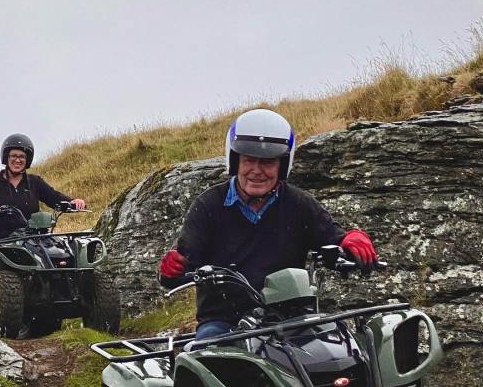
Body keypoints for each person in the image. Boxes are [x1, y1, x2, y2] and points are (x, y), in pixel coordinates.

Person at [157, 108, 377, 340]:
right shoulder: (208, 206)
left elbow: (332, 237)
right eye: (249, 160)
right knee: (208, 350)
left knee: (335, 357)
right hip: (225, 321)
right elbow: (183, 263)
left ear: (282, 165)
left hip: (291, 317)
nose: (257, 171)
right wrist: (171, 270)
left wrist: (351, 240)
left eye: (268, 163)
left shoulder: (299, 204)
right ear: (235, 160)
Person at [0, 133, 86, 264]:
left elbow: (53, 197)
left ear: (28, 160)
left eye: (22, 156)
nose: (18, 160)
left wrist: (72, 202)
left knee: (61, 252)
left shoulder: (34, 182)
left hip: (30, 234)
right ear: (6, 157)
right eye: (14, 156)